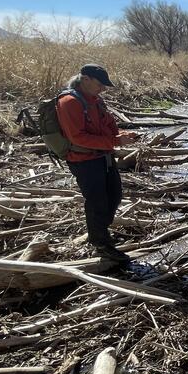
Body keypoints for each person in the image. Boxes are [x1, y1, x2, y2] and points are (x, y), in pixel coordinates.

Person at [57, 64, 139, 263]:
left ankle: (99, 231)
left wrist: (120, 135)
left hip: (103, 156)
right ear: (85, 79)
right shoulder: (69, 102)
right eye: (100, 84)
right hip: (83, 160)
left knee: (115, 194)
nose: (103, 88)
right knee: (96, 201)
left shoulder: (96, 100)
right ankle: (101, 244)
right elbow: (77, 138)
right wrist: (116, 141)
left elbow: (108, 126)